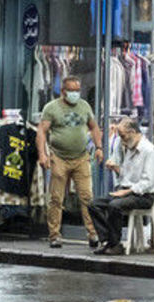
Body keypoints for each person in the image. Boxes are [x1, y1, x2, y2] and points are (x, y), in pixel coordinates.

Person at [36, 76, 103, 249]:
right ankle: (54, 235)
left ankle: (93, 233)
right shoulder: (51, 108)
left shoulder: (84, 106)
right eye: (71, 90)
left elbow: (94, 127)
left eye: (77, 90)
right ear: (63, 91)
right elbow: (42, 132)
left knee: (87, 197)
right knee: (57, 198)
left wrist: (99, 147)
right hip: (59, 157)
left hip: (81, 157)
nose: (75, 94)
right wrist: (42, 154)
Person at [90, 118, 154, 255]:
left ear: (133, 132)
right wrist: (116, 169)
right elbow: (126, 176)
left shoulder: (149, 151)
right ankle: (107, 241)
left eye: (123, 136)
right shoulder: (129, 149)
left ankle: (115, 245)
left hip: (143, 196)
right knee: (94, 204)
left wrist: (126, 191)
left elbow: (148, 182)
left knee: (114, 206)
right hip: (127, 191)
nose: (121, 140)